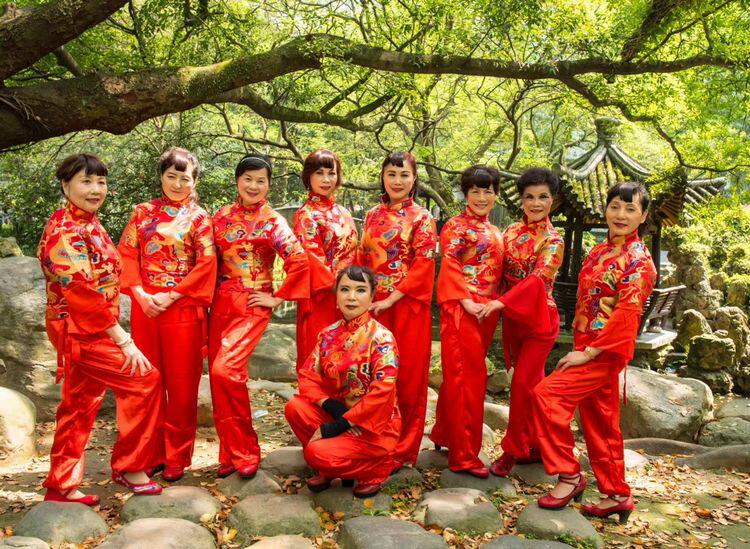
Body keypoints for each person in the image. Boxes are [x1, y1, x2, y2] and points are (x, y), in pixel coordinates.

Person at [38, 154, 162, 504]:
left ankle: (60, 485)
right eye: (86, 181)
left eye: (101, 182)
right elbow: (82, 293)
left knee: (79, 402)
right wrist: (124, 341)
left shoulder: (89, 223)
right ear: (66, 185)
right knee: (144, 379)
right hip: (81, 329)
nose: (95, 189)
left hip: (92, 327)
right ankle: (130, 466)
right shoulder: (65, 230)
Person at [532, 182, 657, 522]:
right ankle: (616, 494)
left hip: (603, 351)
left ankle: (569, 475)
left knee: (547, 396)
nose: (621, 215)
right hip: (586, 344)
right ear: (605, 209)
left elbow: (627, 315)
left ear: (643, 215)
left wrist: (587, 354)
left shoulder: (638, 261)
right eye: (615, 206)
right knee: (601, 423)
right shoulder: (599, 251)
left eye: (630, 209)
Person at [118, 147, 216, 482]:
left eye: (184, 178)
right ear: (161, 176)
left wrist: (173, 294)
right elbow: (126, 253)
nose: (177, 184)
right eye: (171, 176)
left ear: (194, 181)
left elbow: (207, 263)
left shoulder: (200, 218)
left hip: (183, 307)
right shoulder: (142, 213)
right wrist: (140, 294)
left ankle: (176, 455)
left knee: (182, 386)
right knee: (147, 382)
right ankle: (149, 453)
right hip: (146, 307)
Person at [210, 154, 309, 478]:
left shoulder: (272, 221)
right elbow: (207, 260)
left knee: (225, 370)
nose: (253, 186)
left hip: (253, 304)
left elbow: (298, 261)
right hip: (220, 303)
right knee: (222, 380)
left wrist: (276, 297)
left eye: (260, 180)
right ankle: (230, 453)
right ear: (237, 181)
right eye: (248, 179)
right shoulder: (220, 216)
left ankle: (246, 450)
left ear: (268, 185)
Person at [285, 265, 400, 497]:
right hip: (338, 414)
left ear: (372, 297)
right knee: (294, 408)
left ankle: (377, 469)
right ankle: (330, 467)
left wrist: (341, 424)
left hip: (373, 426)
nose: (351, 297)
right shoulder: (327, 335)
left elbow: (383, 390)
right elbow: (308, 376)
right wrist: (332, 408)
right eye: (345, 289)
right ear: (336, 296)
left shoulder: (382, 338)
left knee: (315, 453)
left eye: (360, 290)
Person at [359, 151, 437, 471]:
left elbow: (424, 265)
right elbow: (363, 259)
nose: (397, 180)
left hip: (408, 306)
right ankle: (374, 440)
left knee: (408, 376)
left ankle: (403, 449)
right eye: (391, 174)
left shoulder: (422, 218)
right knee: (374, 374)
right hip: (374, 305)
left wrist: (392, 298)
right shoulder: (372, 215)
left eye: (404, 174)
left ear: (414, 179)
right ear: (383, 177)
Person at [488, 168, 564, 477]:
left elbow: (538, 279)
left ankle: (511, 450)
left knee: (520, 384)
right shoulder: (509, 232)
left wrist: (500, 302)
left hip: (540, 321)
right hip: (514, 319)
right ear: (521, 200)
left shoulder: (554, 240)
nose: (535, 203)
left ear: (552, 200)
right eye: (529, 197)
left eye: (542, 197)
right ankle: (538, 445)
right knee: (532, 387)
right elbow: (494, 268)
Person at [430, 166, 503, 478]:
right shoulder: (455, 226)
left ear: (496, 194)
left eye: (488, 191)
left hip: (486, 311)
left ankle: (444, 433)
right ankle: (463, 455)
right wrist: (465, 301)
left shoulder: (494, 230)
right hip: (463, 308)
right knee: (468, 380)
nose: (482, 197)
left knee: (460, 377)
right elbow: (450, 265)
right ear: (465, 194)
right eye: (475, 191)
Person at [293, 149, 357, 371]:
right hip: (321, 296)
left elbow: (353, 251)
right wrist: (337, 286)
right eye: (319, 173)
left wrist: (351, 287)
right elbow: (311, 255)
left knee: (346, 356)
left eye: (332, 173)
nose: (326, 179)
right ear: (308, 176)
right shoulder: (305, 214)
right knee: (319, 354)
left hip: (347, 295)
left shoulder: (343, 212)